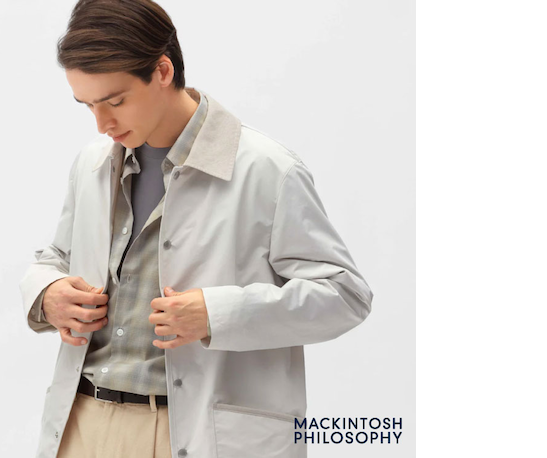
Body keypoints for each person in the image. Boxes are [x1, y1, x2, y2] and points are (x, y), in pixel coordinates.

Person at [19, 1, 374, 457]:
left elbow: (345, 296)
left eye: (116, 101)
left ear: (162, 70)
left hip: (195, 431)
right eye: (88, 105)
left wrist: (217, 314)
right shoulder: (92, 163)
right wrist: (47, 293)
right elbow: (57, 258)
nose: (102, 123)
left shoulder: (268, 170)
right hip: (83, 424)